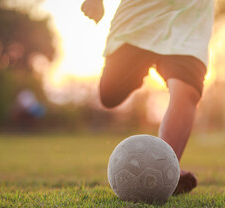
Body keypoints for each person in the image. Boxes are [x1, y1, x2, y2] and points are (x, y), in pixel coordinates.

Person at [81, 0, 215, 194]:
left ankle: (168, 169)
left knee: (187, 91)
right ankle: (145, 65)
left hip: (189, 14)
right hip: (141, 12)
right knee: (110, 94)